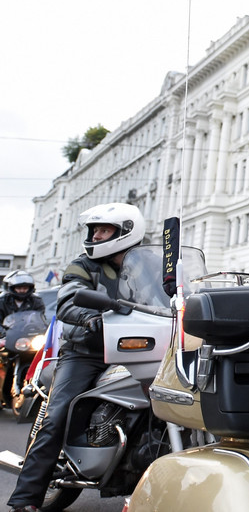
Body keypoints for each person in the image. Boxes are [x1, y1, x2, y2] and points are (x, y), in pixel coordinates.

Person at [7, 203, 144, 512]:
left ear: (125, 232)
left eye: (103, 230)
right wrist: (89, 317)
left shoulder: (145, 268)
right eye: (94, 230)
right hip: (86, 353)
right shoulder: (83, 265)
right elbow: (68, 302)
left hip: (136, 349)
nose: (96, 236)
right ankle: (26, 499)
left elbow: (168, 296)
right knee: (57, 418)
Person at [0, 271, 45, 408]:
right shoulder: (2, 301)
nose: (22, 290)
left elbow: (41, 320)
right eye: (19, 287)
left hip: (26, 340)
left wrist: (42, 332)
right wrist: (2, 335)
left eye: (25, 287)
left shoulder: (36, 301)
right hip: (7, 338)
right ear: (11, 288)